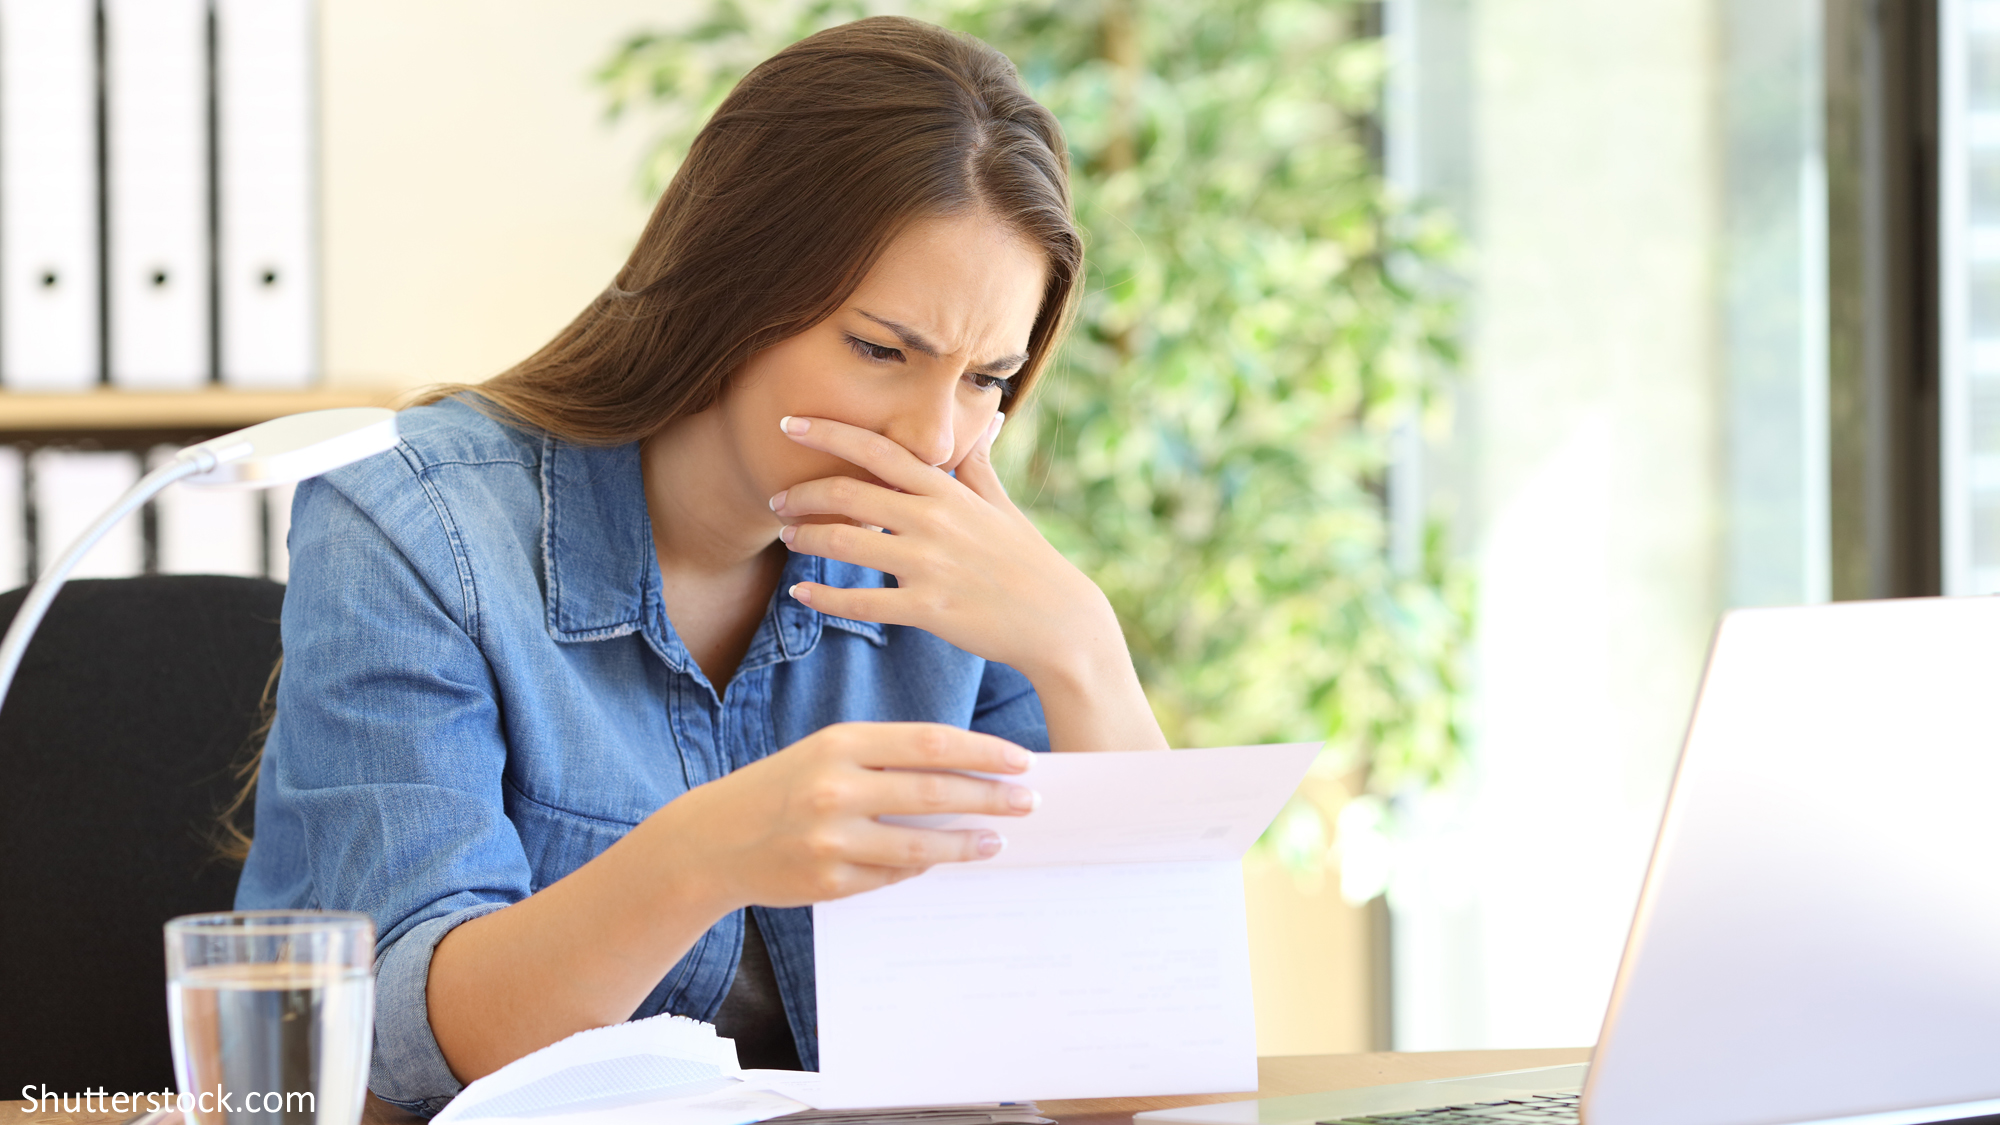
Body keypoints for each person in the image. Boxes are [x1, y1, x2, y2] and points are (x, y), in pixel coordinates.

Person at [233, 14, 1167, 1117]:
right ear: (730, 291)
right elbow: (407, 1047)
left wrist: (1085, 655)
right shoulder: (415, 524)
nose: (931, 438)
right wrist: (703, 854)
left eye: (985, 380)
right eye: (880, 351)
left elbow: (1132, 1059)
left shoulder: (962, 569)